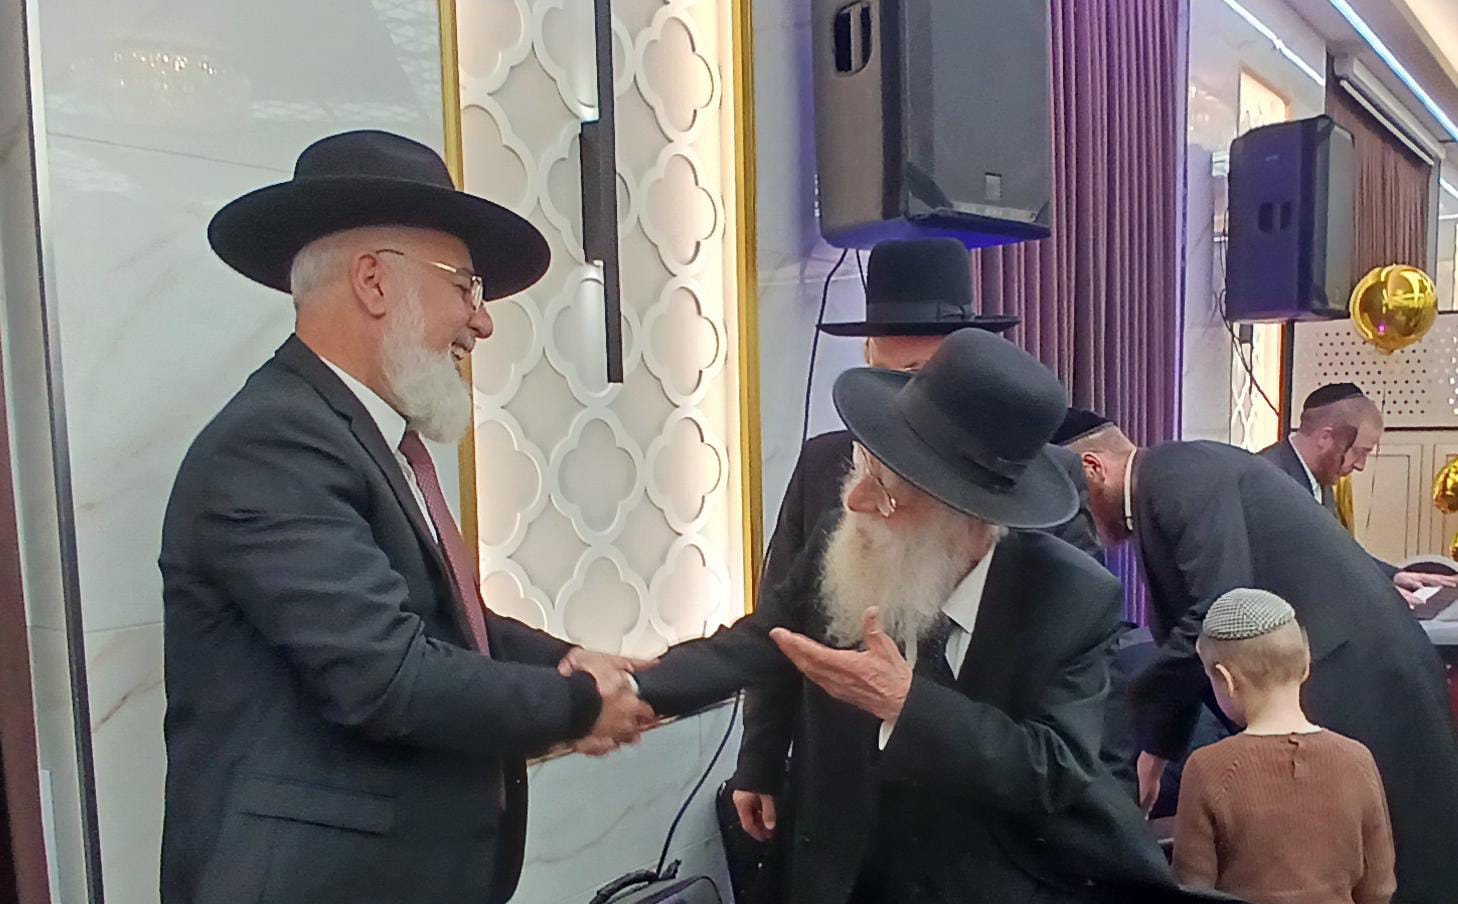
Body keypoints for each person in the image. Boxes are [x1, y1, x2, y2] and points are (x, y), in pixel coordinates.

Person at [159, 130, 654, 904]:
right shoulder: (273, 443)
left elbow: (446, 625)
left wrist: (573, 659)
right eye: (466, 287)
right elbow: (388, 675)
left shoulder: (361, 435)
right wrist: (579, 705)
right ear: (373, 282)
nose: (482, 323)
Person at [637, 329, 1230, 904]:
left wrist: (907, 705)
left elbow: (1053, 770)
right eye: (863, 467)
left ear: (964, 515)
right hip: (840, 861)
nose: (855, 500)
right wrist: (632, 688)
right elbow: (766, 638)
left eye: (884, 489)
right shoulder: (850, 540)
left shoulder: (1069, 597)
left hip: (980, 873)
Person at [730, 239, 1106, 877]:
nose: (910, 396)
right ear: (868, 356)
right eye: (897, 374)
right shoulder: (824, 463)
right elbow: (780, 620)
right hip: (840, 792)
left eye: (928, 374)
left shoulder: (1033, 484)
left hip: (966, 803)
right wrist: (759, 759)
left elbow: (1077, 668)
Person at [1069, 415, 1458, 904]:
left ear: (1093, 468)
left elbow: (1216, 609)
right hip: (1340, 663)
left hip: (1351, 669)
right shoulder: (1172, 475)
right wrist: (1156, 751)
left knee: (1399, 848)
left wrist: (1131, 710)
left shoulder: (1175, 474)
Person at [1174, 588, 1395, 904]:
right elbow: (1378, 888)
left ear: (1226, 680)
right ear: (1306, 664)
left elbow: (1194, 888)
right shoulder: (1357, 758)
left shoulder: (1207, 767)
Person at [1256, 383, 1452, 604]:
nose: (1360, 465)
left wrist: (1391, 576)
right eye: (1360, 452)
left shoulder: (1317, 475)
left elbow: (1337, 550)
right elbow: (1293, 570)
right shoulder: (1266, 479)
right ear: (1326, 437)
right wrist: (1372, 592)